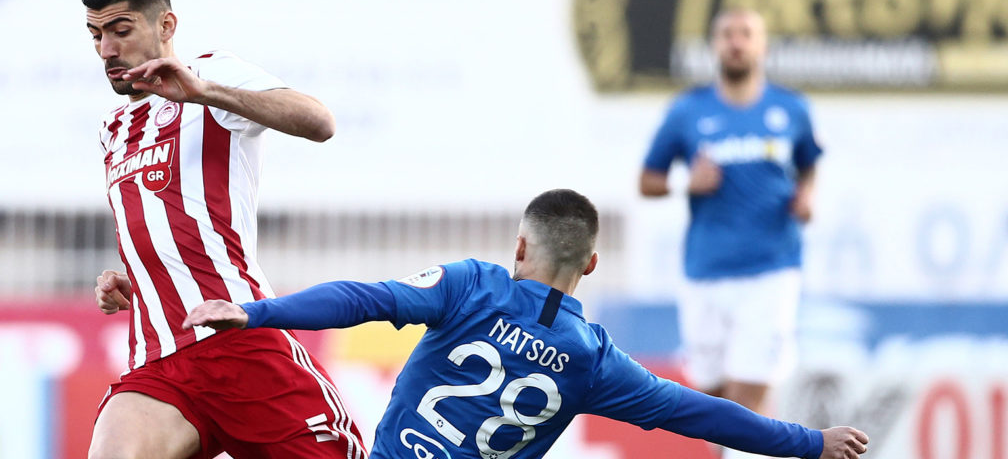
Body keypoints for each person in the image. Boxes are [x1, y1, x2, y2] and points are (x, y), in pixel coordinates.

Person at [186, 189, 867, 459]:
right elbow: (698, 414)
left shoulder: (470, 286)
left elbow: (364, 299)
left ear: (519, 246)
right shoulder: (592, 360)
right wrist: (810, 443)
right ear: (591, 263)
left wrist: (257, 311)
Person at [82, 0, 365, 459]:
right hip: (159, 359)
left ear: (166, 25)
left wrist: (204, 92)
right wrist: (143, 280)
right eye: (96, 35)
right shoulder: (114, 128)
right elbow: (169, 221)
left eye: (120, 31)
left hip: (238, 341)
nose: (107, 50)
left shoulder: (211, 74)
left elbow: (320, 122)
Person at [638, 8, 822, 428]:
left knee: (746, 396)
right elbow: (648, 180)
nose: (736, 42)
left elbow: (809, 164)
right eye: (727, 34)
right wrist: (686, 183)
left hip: (771, 269)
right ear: (714, 45)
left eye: (746, 34)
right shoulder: (688, 111)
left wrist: (807, 196)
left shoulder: (791, 108)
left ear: (763, 46)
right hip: (705, 270)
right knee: (714, 398)